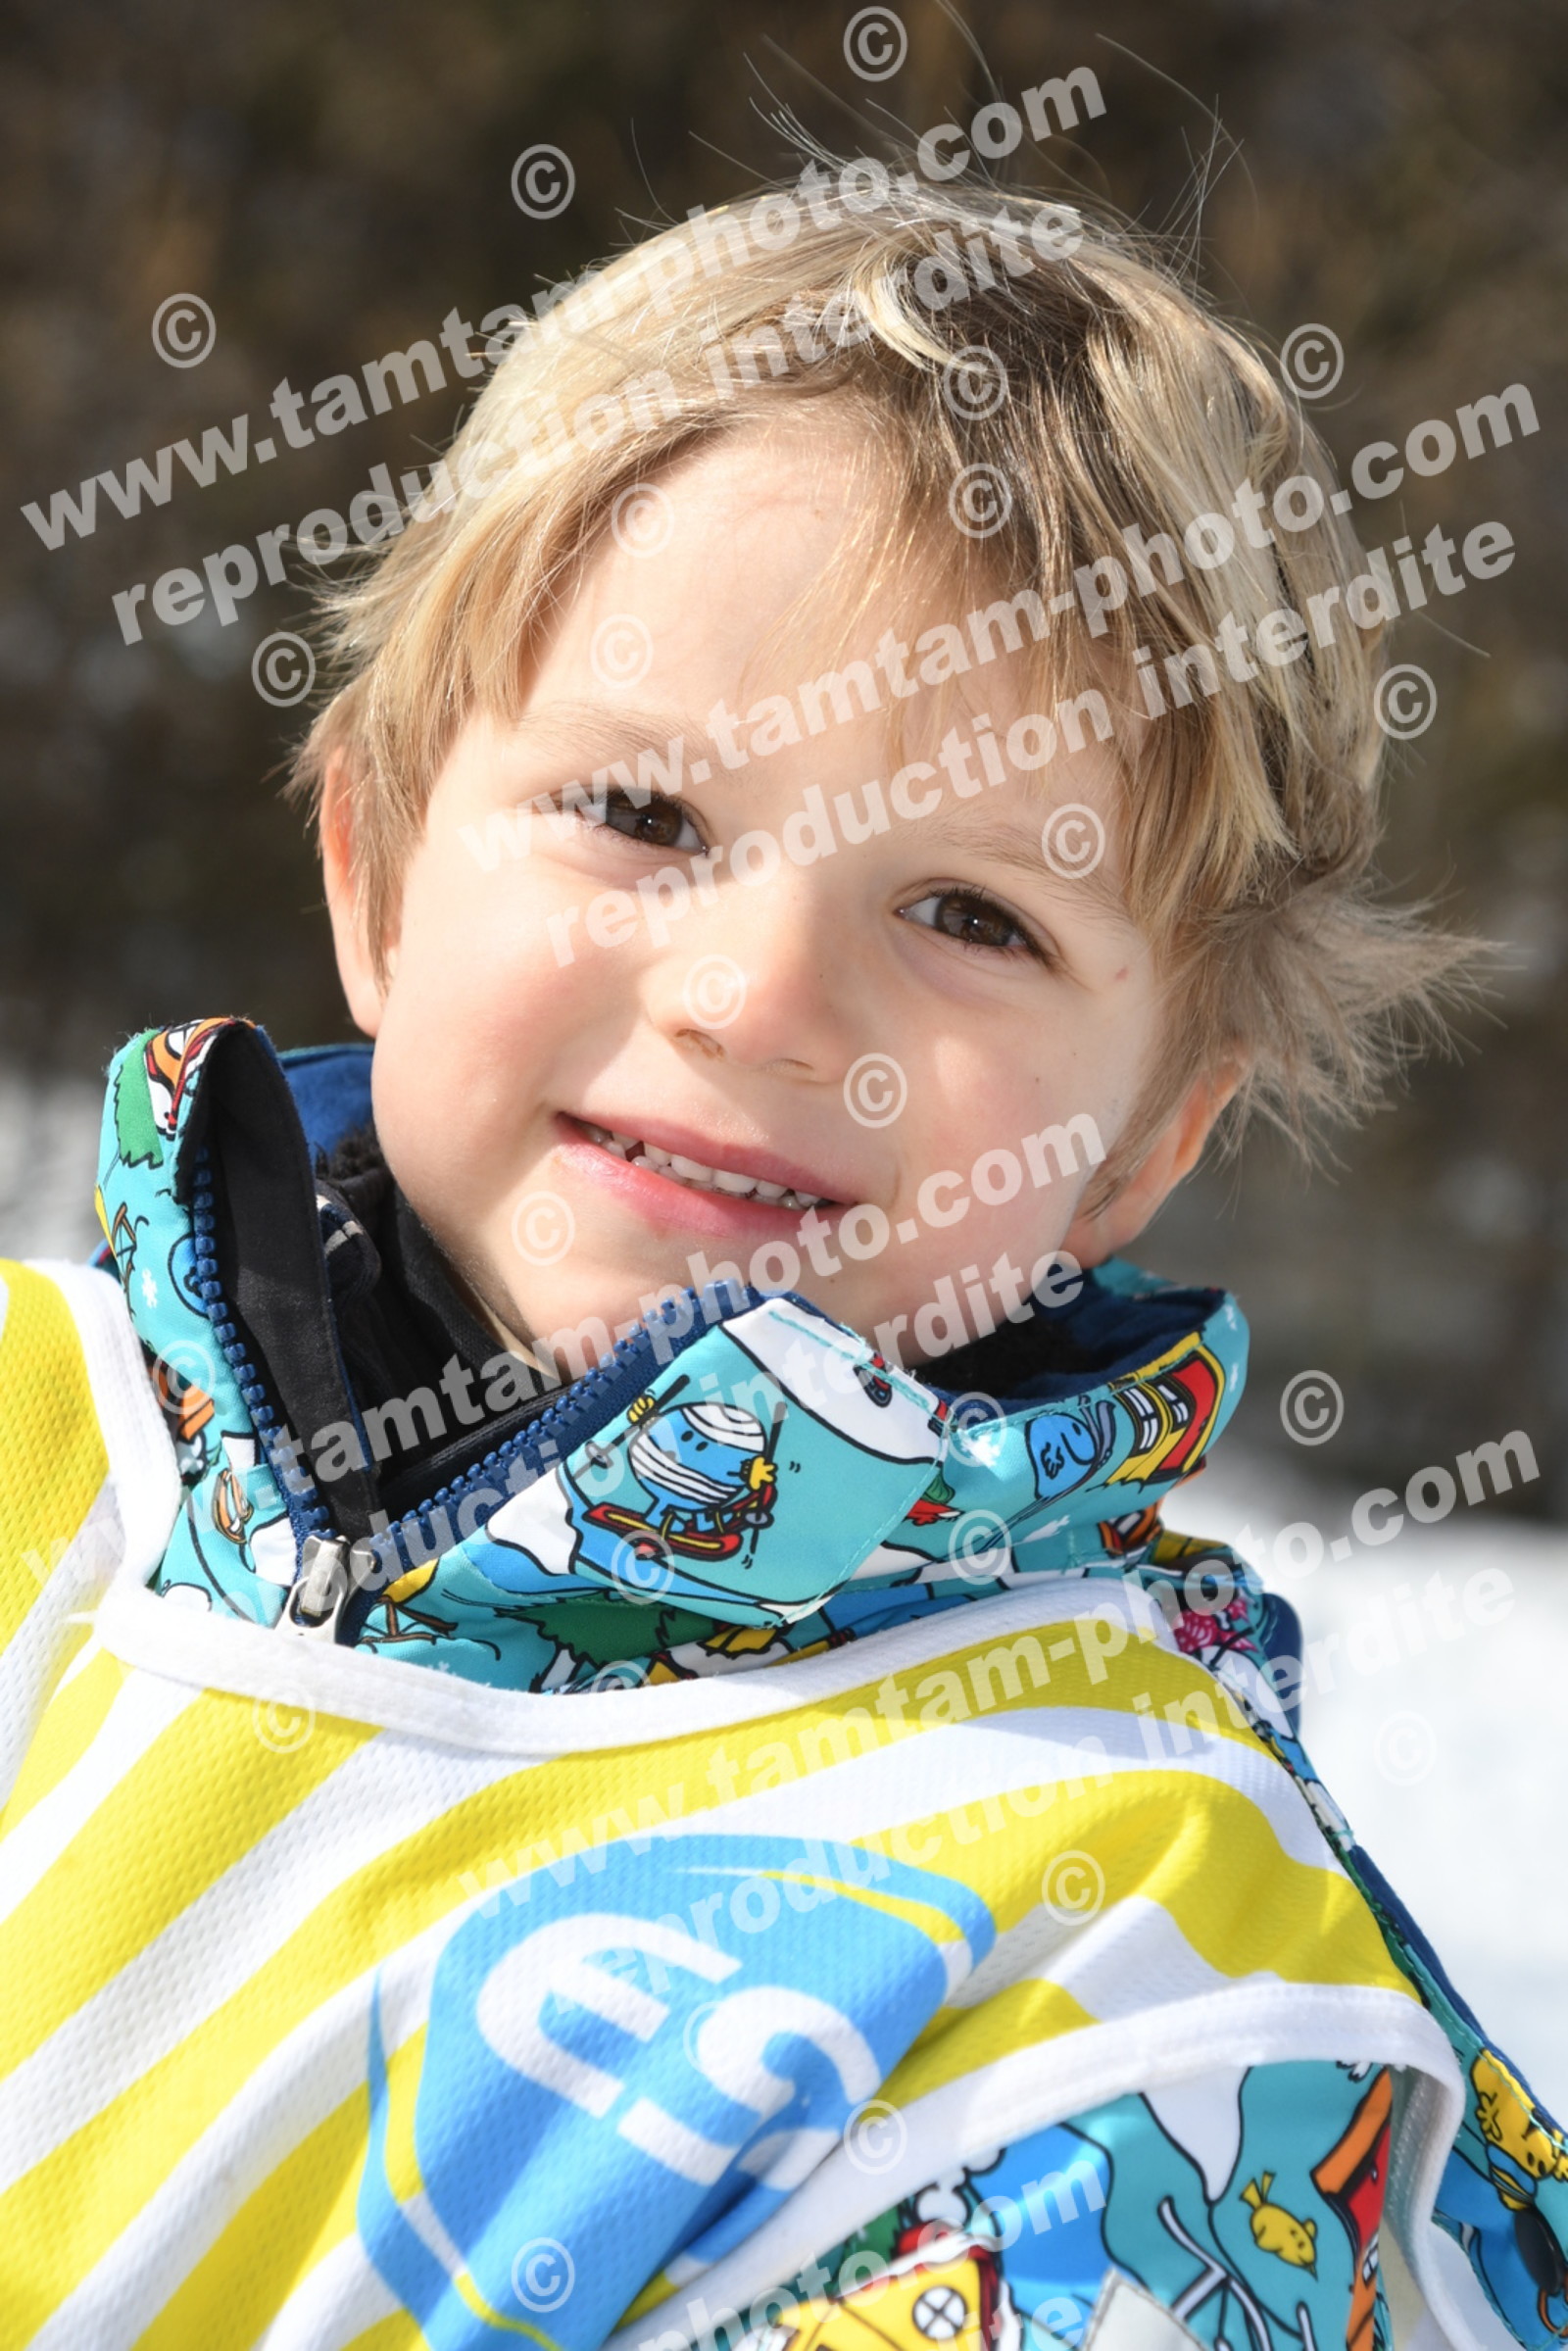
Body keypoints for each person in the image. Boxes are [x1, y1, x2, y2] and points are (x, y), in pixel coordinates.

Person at [2, 170, 1561, 2351]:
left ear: (1145, 1140)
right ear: (375, 875)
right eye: (641, 817)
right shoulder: (38, 1444)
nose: (753, 999)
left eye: (971, 915)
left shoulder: (1125, 1976)